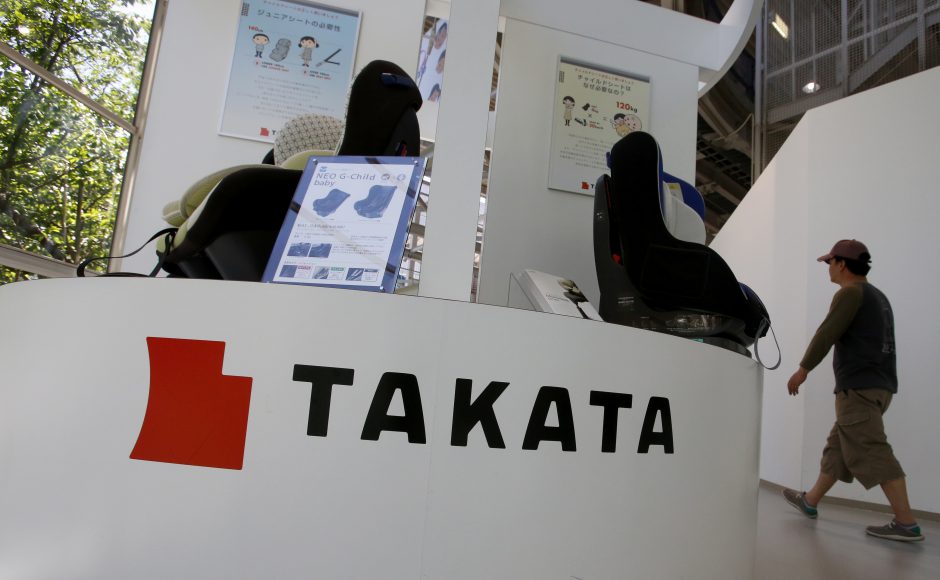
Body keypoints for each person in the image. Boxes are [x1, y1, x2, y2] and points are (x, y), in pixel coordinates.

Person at [783, 239, 923, 542]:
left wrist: (803, 369)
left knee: (872, 449)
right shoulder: (878, 296)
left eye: (829, 263)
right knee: (838, 448)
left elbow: (827, 333)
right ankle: (810, 502)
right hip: (879, 386)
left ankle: (906, 523)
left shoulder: (850, 293)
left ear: (842, 264)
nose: (828, 269)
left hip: (858, 388)